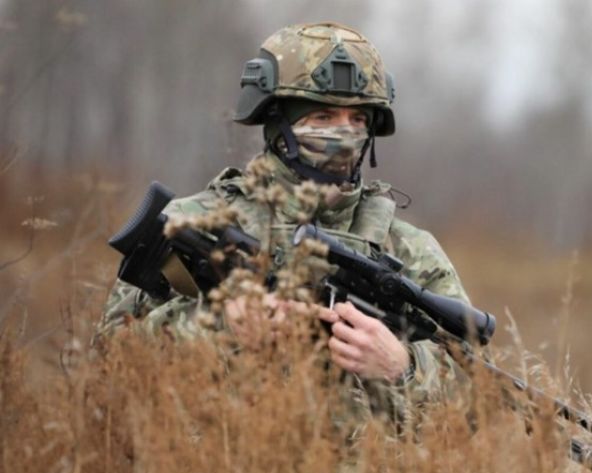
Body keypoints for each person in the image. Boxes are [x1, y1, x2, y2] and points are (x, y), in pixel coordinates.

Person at [97, 22, 471, 415]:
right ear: (277, 123)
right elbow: (106, 368)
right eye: (323, 117)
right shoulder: (195, 224)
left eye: (357, 120)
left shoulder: (410, 251)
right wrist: (214, 328)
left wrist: (404, 368)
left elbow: (473, 393)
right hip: (220, 470)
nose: (343, 133)